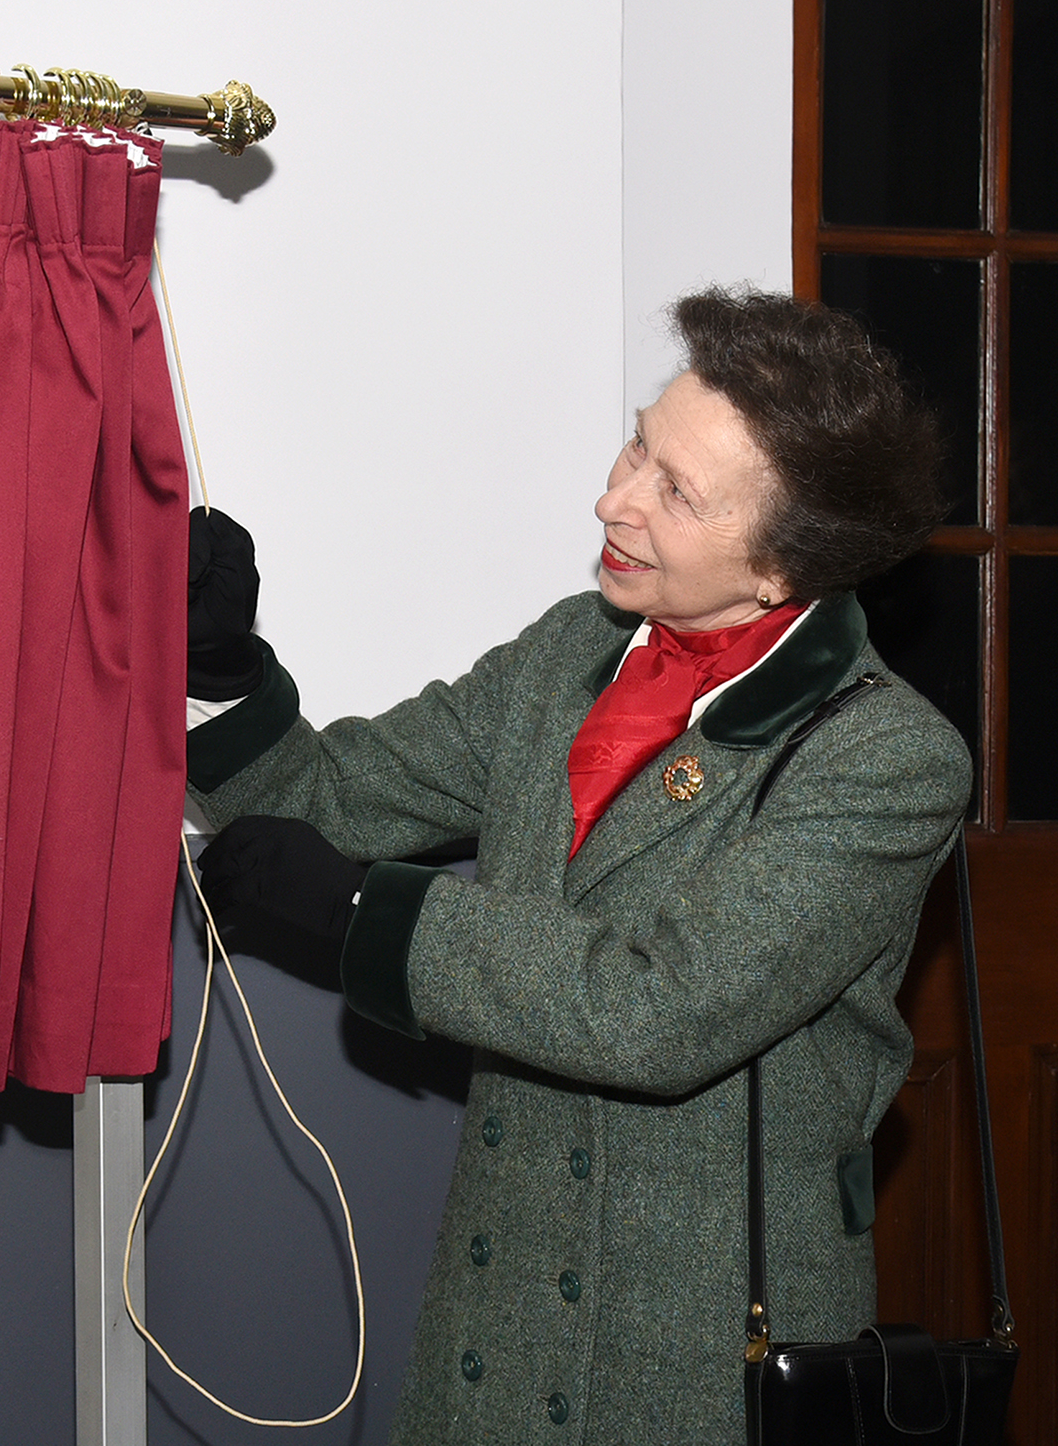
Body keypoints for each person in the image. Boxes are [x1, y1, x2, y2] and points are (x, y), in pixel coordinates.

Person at [186, 287, 970, 1445]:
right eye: (638, 446)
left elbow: (656, 1010)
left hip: (705, 1346)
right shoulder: (573, 653)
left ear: (780, 569)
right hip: (495, 1317)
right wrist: (222, 663)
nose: (613, 500)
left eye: (676, 492)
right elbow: (330, 799)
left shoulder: (886, 758)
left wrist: (363, 912)